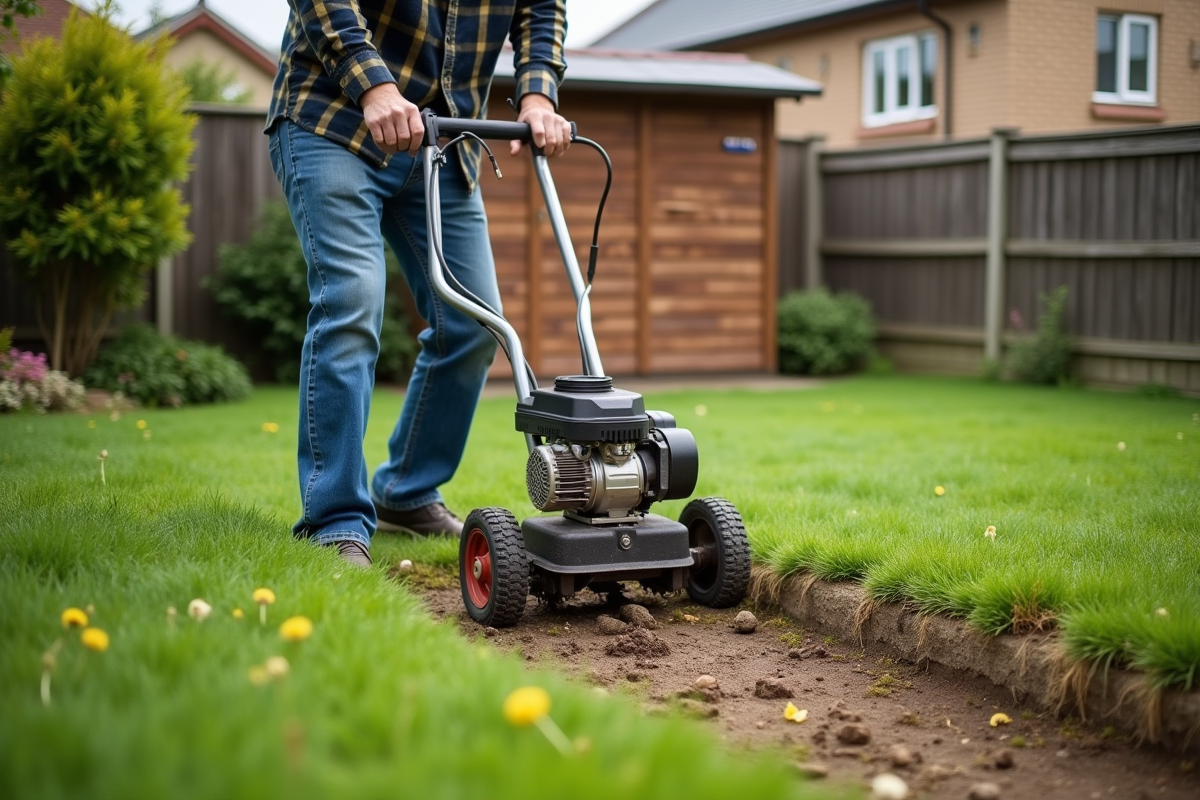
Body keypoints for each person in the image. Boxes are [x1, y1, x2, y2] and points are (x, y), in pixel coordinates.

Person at [265, 1, 570, 567]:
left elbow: (543, 8)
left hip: (442, 143)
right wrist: (372, 84)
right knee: (351, 304)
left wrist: (537, 93)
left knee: (478, 325)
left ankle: (406, 493)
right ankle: (334, 521)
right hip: (335, 119)